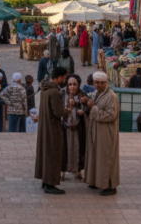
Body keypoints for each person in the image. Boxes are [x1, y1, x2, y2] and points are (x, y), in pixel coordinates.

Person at [84, 71, 120, 196]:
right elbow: (91, 98)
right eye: (96, 83)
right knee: (96, 157)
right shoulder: (98, 93)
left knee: (106, 158)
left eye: (101, 83)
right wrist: (85, 100)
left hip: (106, 133)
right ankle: (96, 181)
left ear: (106, 83)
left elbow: (110, 115)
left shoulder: (111, 96)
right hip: (96, 131)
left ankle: (110, 185)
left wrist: (93, 108)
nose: (98, 85)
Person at [35, 66, 69, 195]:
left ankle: (45, 180)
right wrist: (68, 111)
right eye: (64, 77)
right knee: (53, 155)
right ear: (59, 77)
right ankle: (50, 183)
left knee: (46, 153)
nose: (64, 80)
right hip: (52, 128)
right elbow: (58, 112)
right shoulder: (54, 92)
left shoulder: (45, 88)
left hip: (45, 126)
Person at [63, 75, 88, 182]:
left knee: (79, 147)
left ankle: (79, 170)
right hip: (65, 127)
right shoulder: (62, 94)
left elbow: (89, 108)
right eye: (70, 84)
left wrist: (84, 111)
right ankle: (63, 169)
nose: (72, 87)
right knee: (65, 147)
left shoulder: (83, 95)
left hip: (79, 128)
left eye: (74, 84)